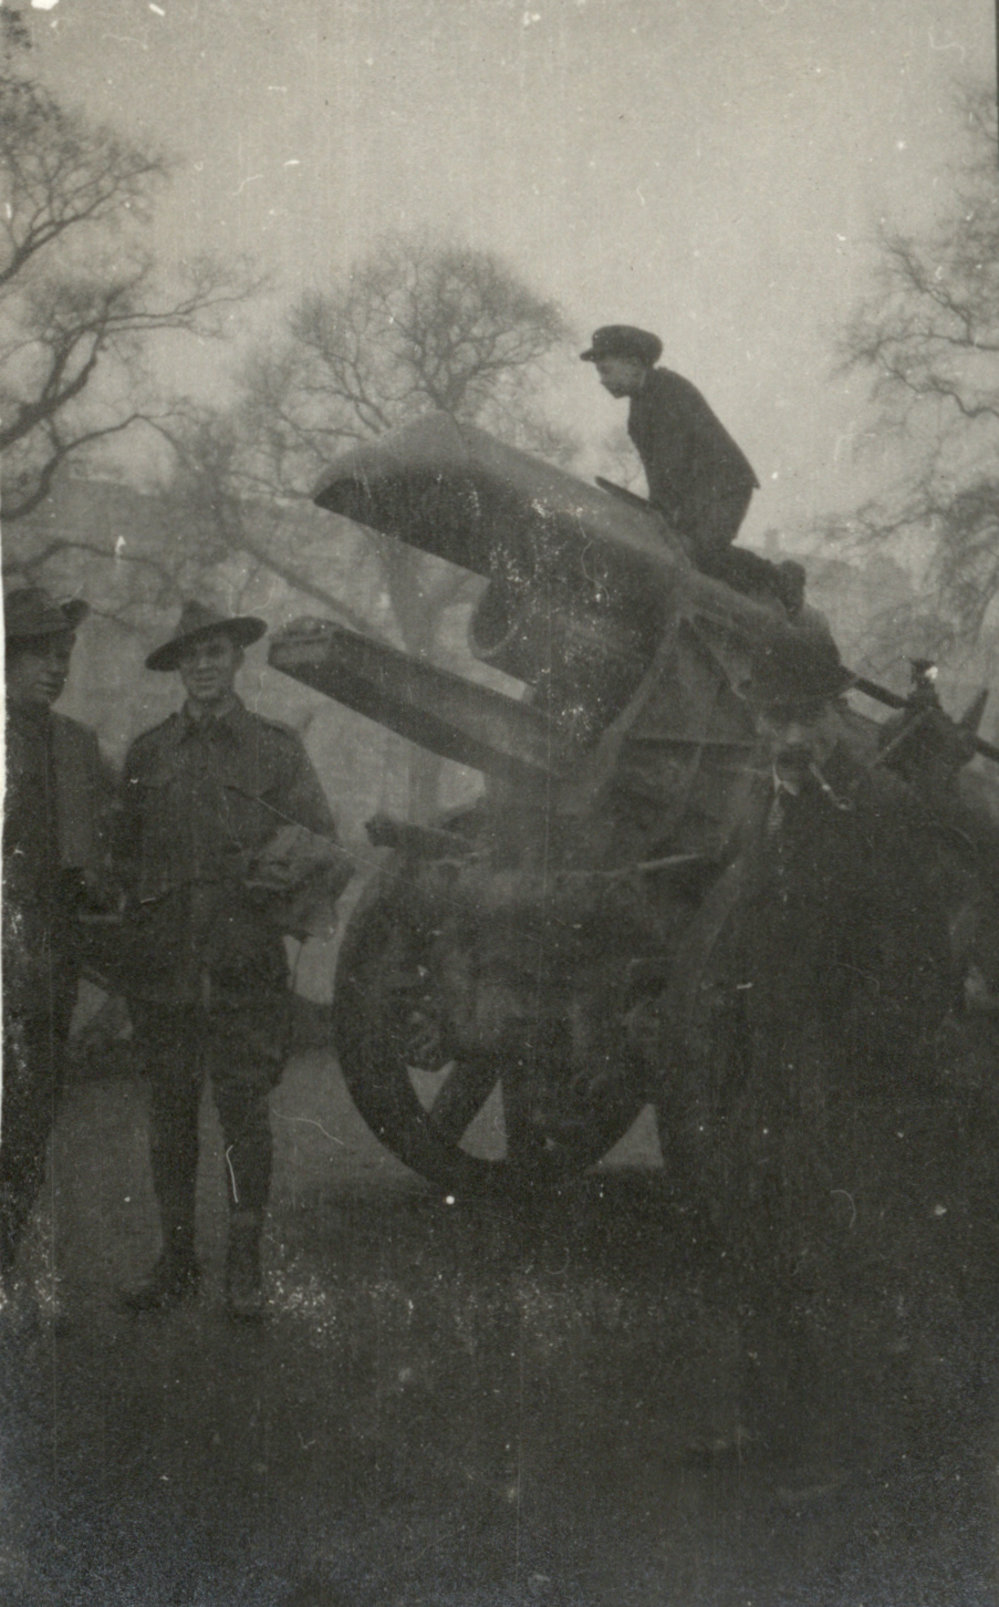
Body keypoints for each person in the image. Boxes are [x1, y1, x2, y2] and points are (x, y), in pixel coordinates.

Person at [116, 600, 351, 1319]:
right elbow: (123, 852)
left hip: (244, 959)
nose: (202, 665)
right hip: (165, 965)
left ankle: (244, 1266)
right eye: (190, 655)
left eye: (214, 651)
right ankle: (176, 1258)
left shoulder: (275, 748)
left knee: (242, 1112)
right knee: (170, 1112)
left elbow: (320, 843)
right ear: (177, 668)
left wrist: (263, 886)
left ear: (235, 659)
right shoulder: (149, 752)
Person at [2, 587, 108, 1287]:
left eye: (62, 655)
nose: (54, 667)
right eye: (38, 653)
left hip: (50, 957)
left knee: (31, 1115)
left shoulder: (77, 747)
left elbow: (109, 850)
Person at [582, 324, 804, 612]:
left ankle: (782, 579)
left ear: (635, 365)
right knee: (691, 549)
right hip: (698, 490)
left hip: (724, 485)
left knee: (704, 553)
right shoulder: (638, 411)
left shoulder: (669, 391)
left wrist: (667, 510)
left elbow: (673, 460)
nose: (601, 380)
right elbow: (657, 469)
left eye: (605, 370)